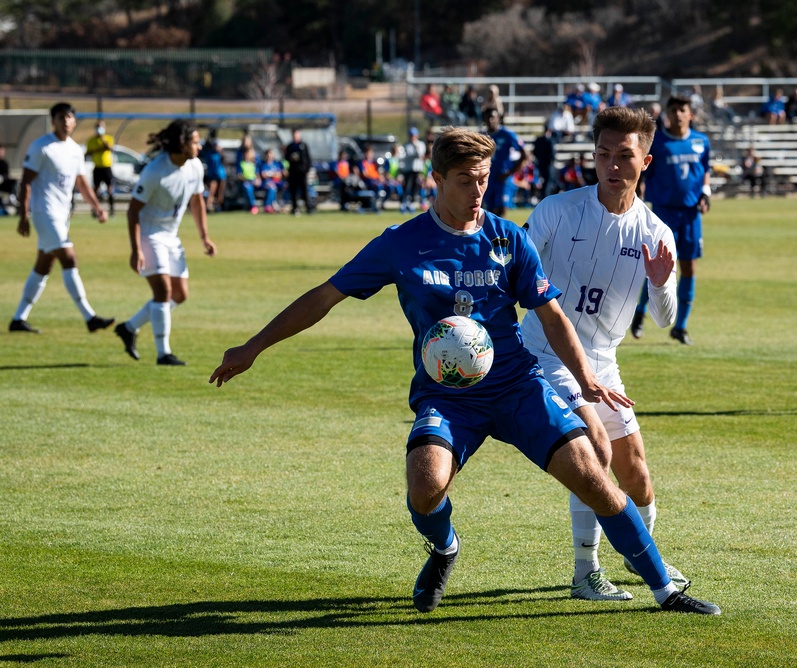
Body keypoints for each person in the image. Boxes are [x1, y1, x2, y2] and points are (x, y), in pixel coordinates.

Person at [209, 126, 721, 617]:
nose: (478, 191)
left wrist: (585, 377)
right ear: (436, 178)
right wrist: (253, 346)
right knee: (425, 486)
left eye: (484, 179)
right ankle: (444, 546)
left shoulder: (506, 238)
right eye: (465, 181)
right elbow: (325, 297)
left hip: (519, 387)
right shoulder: (401, 243)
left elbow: (551, 315)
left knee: (593, 475)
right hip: (448, 398)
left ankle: (664, 589)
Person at [522, 106, 692, 602]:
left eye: (624, 155)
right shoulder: (557, 210)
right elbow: (516, 268)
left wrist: (661, 284)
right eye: (603, 154)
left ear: (646, 160)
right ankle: (586, 572)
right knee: (593, 451)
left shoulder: (656, 234)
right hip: (546, 349)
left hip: (604, 358)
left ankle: (645, 558)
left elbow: (664, 318)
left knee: (636, 471)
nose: (612, 165)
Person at [115, 119, 217, 366]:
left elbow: (197, 202)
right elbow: (133, 211)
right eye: (195, 141)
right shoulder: (154, 171)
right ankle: (163, 353)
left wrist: (204, 236)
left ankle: (129, 328)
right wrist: (136, 249)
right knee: (162, 292)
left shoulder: (195, 167)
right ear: (182, 144)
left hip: (171, 236)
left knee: (180, 295)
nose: (199, 146)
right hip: (149, 234)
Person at [10, 102, 114, 335]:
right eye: (61, 117)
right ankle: (90, 317)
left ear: (74, 121)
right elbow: (26, 182)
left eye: (69, 117)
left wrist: (97, 207)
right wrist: (23, 214)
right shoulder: (41, 147)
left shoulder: (75, 150)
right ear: (53, 121)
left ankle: (18, 319)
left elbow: (82, 183)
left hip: (61, 215)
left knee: (43, 266)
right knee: (69, 257)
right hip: (44, 213)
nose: (66, 121)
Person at [631, 95, 711, 344]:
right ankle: (640, 313)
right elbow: (643, 174)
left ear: (691, 114)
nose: (677, 114)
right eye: (673, 109)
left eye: (682, 109)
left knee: (689, 267)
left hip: (690, 215)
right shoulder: (658, 143)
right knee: (656, 266)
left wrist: (706, 192)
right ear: (666, 114)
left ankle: (681, 327)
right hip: (662, 214)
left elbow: (705, 170)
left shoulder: (701, 141)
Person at [482, 108, 525, 218]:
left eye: (493, 117)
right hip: (488, 179)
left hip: (503, 179)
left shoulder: (507, 134)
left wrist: (510, 172)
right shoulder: (483, 136)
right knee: (489, 212)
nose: (490, 120)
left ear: (498, 119)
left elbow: (525, 153)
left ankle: (501, 235)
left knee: (501, 211)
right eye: (488, 117)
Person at [85, 119, 115, 217]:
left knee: (110, 189)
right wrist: (98, 149)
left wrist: (103, 141)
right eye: (98, 127)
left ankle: (111, 209)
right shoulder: (91, 141)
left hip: (107, 167)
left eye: (101, 127)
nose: (99, 129)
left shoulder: (109, 138)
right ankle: (95, 209)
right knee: (95, 190)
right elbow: (88, 153)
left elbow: (110, 148)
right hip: (97, 167)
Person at [284, 129, 314, 216]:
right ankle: (294, 208)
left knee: (304, 190)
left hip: (302, 172)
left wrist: (307, 170)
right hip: (293, 172)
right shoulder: (290, 147)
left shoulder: (304, 146)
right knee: (293, 191)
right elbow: (286, 158)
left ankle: (309, 208)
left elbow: (308, 159)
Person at [399, 127, 427, 214]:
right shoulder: (405, 145)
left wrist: (415, 147)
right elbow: (403, 156)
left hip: (417, 169)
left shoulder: (421, 144)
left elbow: (420, 155)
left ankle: (411, 203)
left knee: (415, 187)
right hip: (408, 169)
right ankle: (404, 203)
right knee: (407, 187)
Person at [200, 132, 227, 213]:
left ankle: (219, 206)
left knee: (220, 192)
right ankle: (208, 206)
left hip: (221, 175)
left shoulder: (220, 154)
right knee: (211, 191)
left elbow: (224, 162)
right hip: (212, 175)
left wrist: (221, 152)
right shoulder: (209, 153)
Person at [258, 148, 286, 213]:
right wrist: (273, 174)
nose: (270, 156)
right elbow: (263, 175)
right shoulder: (263, 164)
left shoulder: (276, 164)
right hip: (267, 183)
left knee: (286, 185)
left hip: (277, 182)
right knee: (272, 187)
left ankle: (284, 203)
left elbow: (279, 175)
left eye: (271, 154)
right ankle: (268, 206)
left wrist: (270, 174)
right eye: (268, 155)